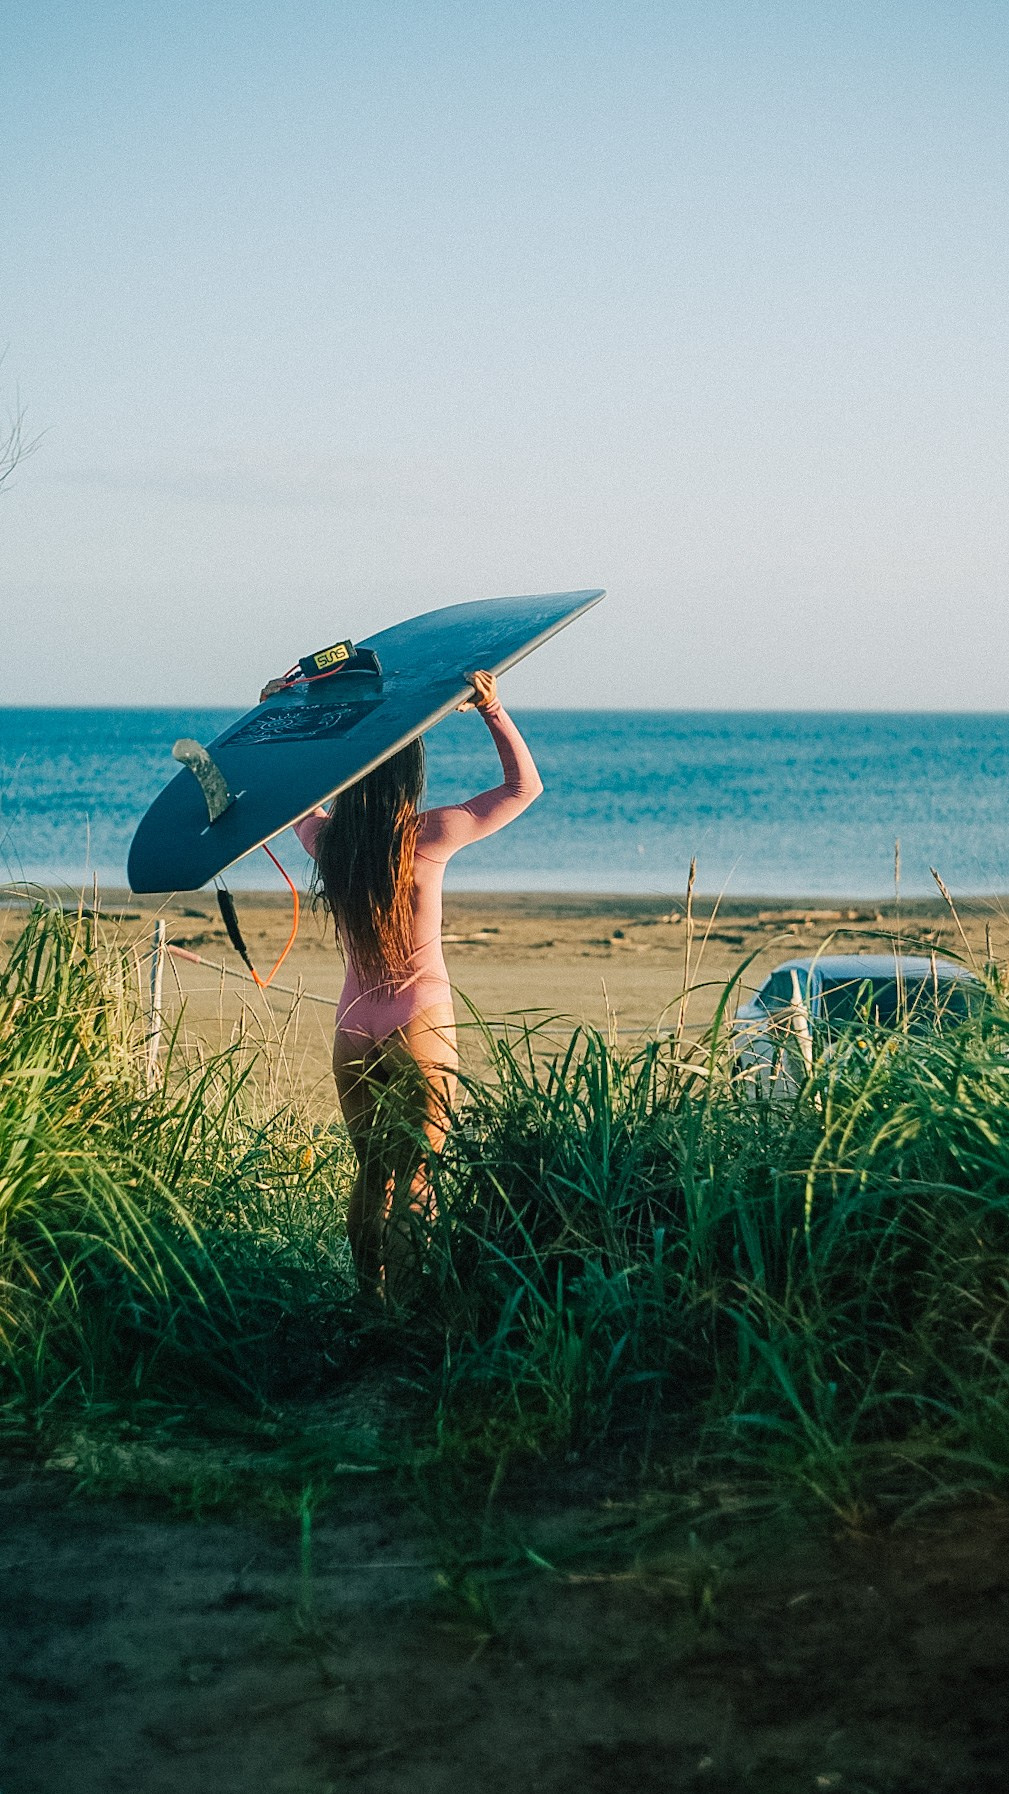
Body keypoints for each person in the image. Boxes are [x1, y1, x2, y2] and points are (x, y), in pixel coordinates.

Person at [270, 669, 543, 1299]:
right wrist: (492, 708)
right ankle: (409, 1311)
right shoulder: (430, 834)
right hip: (417, 1019)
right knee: (418, 1175)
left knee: (371, 1175)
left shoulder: (328, 844)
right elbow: (522, 787)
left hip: (352, 1026)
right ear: (407, 777)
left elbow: (294, 799)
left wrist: (290, 719)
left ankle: (369, 1304)